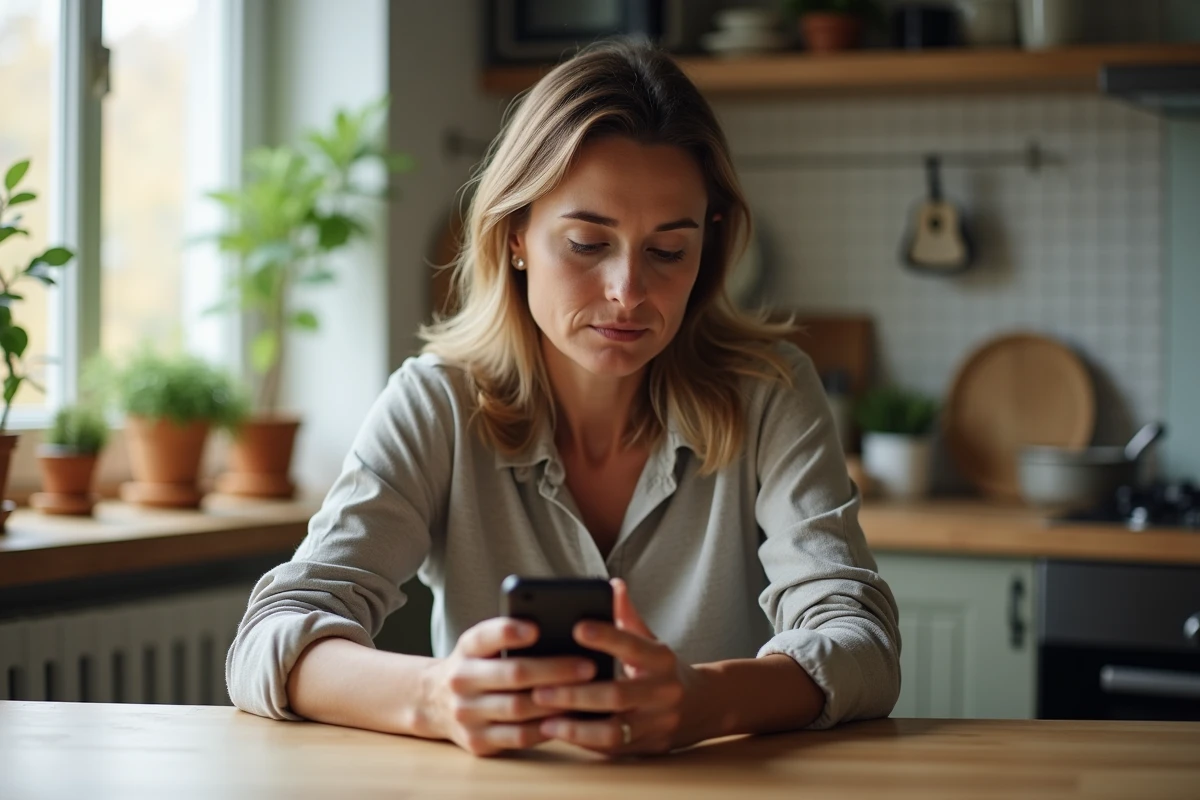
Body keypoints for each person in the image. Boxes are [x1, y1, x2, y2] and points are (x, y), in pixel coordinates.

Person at [226, 38, 900, 758]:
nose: (628, 292)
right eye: (586, 243)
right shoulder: (437, 403)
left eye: (668, 251)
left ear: (710, 244)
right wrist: (434, 697)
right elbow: (269, 638)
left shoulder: (770, 392)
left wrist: (707, 701)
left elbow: (861, 642)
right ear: (515, 235)